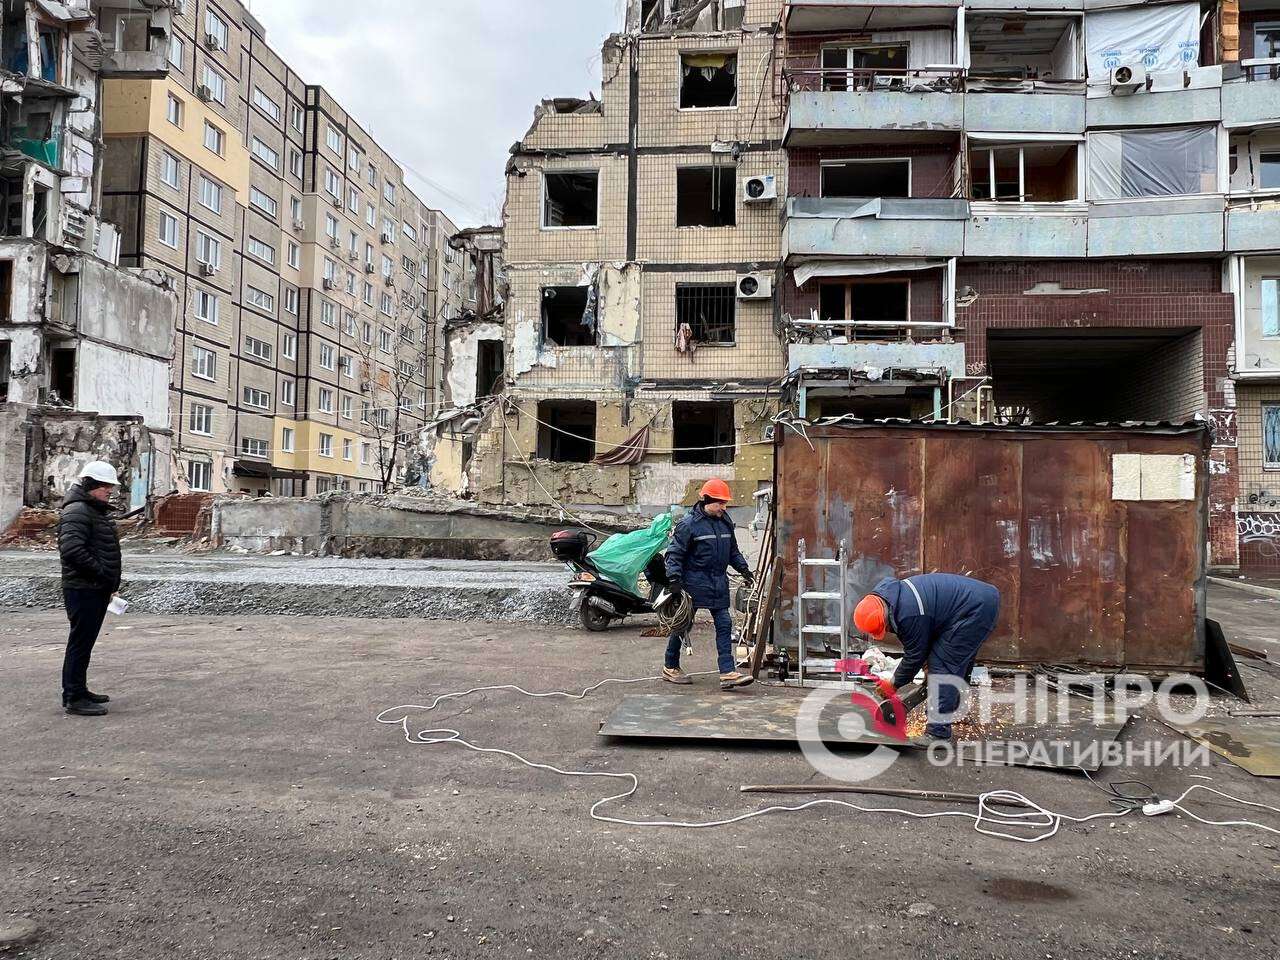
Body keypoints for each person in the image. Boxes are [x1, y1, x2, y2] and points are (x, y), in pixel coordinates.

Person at [853, 573, 1001, 741]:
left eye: (885, 628)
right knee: (956, 662)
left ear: (884, 618)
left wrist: (894, 684)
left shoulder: (909, 614)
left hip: (974, 609)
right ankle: (955, 709)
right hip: (976, 603)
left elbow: (915, 655)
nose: (886, 631)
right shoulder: (890, 598)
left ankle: (937, 732)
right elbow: (923, 644)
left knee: (943, 667)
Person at [662, 479, 755, 690]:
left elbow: (732, 551)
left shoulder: (725, 522)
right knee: (682, 625)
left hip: (718, 582)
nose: (724, 507)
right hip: (693, 583)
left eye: (725, 503)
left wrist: (744, 569)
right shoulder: (688, 525)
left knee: (724, 624)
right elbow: (674, 554)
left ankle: (727, 672)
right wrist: (674, 580)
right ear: (706, 501)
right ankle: (670, 666)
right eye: (719, 503)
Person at [57, 461, 123, 717]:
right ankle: (73, 696)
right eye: (106, 486)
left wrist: (105, 581)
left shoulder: (91, 510)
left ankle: (79, 689)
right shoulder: (78, 511)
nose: (110, 491)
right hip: (83, 588)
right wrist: (102, 573)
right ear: (91, 486)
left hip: (93, 587)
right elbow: (72, 550)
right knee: (80, 642)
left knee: (84, 643)